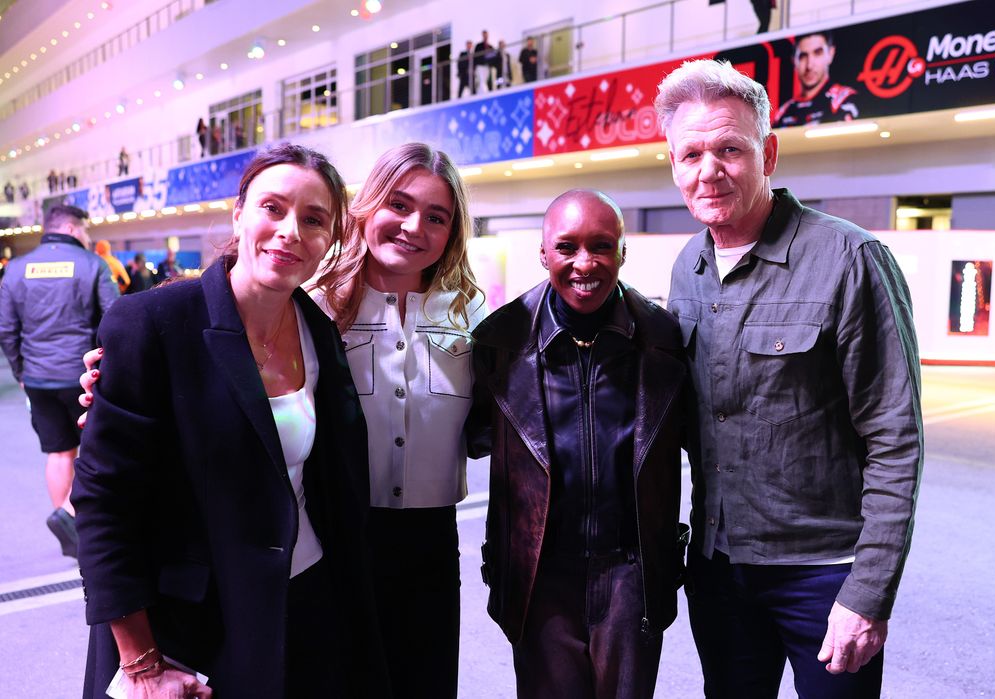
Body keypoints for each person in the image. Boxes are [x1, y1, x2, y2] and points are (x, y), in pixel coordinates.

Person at [72, 143, 383, 698]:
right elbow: (103, 503)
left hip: (301, 600)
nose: (290, 230)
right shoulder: (155, 322)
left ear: (330, 240)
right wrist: (142, 664)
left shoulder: (322, 337)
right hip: (191, 622)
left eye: (313, 219)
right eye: (272, 208)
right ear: (239, 213)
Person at [655, 59, 922, 698]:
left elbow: (894, 438)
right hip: (719, 570)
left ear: (768, 153)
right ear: (672, 165)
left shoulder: (849, 258)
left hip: (822, 577)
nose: (708, 170)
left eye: (729, 148)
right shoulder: (686, 267)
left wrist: (869, 591)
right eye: (690, 154)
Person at [469, 189, 688, 698]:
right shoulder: (499, 342)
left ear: (622, 252)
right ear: (543, 253)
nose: (584, 263)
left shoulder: (664, 341)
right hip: (539, 576)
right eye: (566, 247)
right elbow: (471, 435)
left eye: (601, 246)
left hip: (630, 577)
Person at [311, 142, 486, 698]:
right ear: (368, 207)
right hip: (338, 538)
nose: (414, 227)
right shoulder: (313, 308)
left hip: (432, 545)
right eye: (400, 205)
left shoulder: (471, 315)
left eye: (436, 217)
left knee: (427, 685)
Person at [0, 205, 119, 559]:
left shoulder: (17, 269)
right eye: (85, 230)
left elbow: (7, 329)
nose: (87, 236)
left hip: (37, 378)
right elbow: (114, 318)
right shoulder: (91, 264)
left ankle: (70, 530)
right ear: (71, 227)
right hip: (83, 377)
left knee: (58, 451)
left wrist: (21, 372)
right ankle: (72, 515)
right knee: (99, 447)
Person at [774, 31, 859, 127]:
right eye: (803, 56)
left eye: (817, 53)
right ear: (794, 61)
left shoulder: (843, 99)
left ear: (830, 54)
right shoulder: (783, 112)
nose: (809, 65)